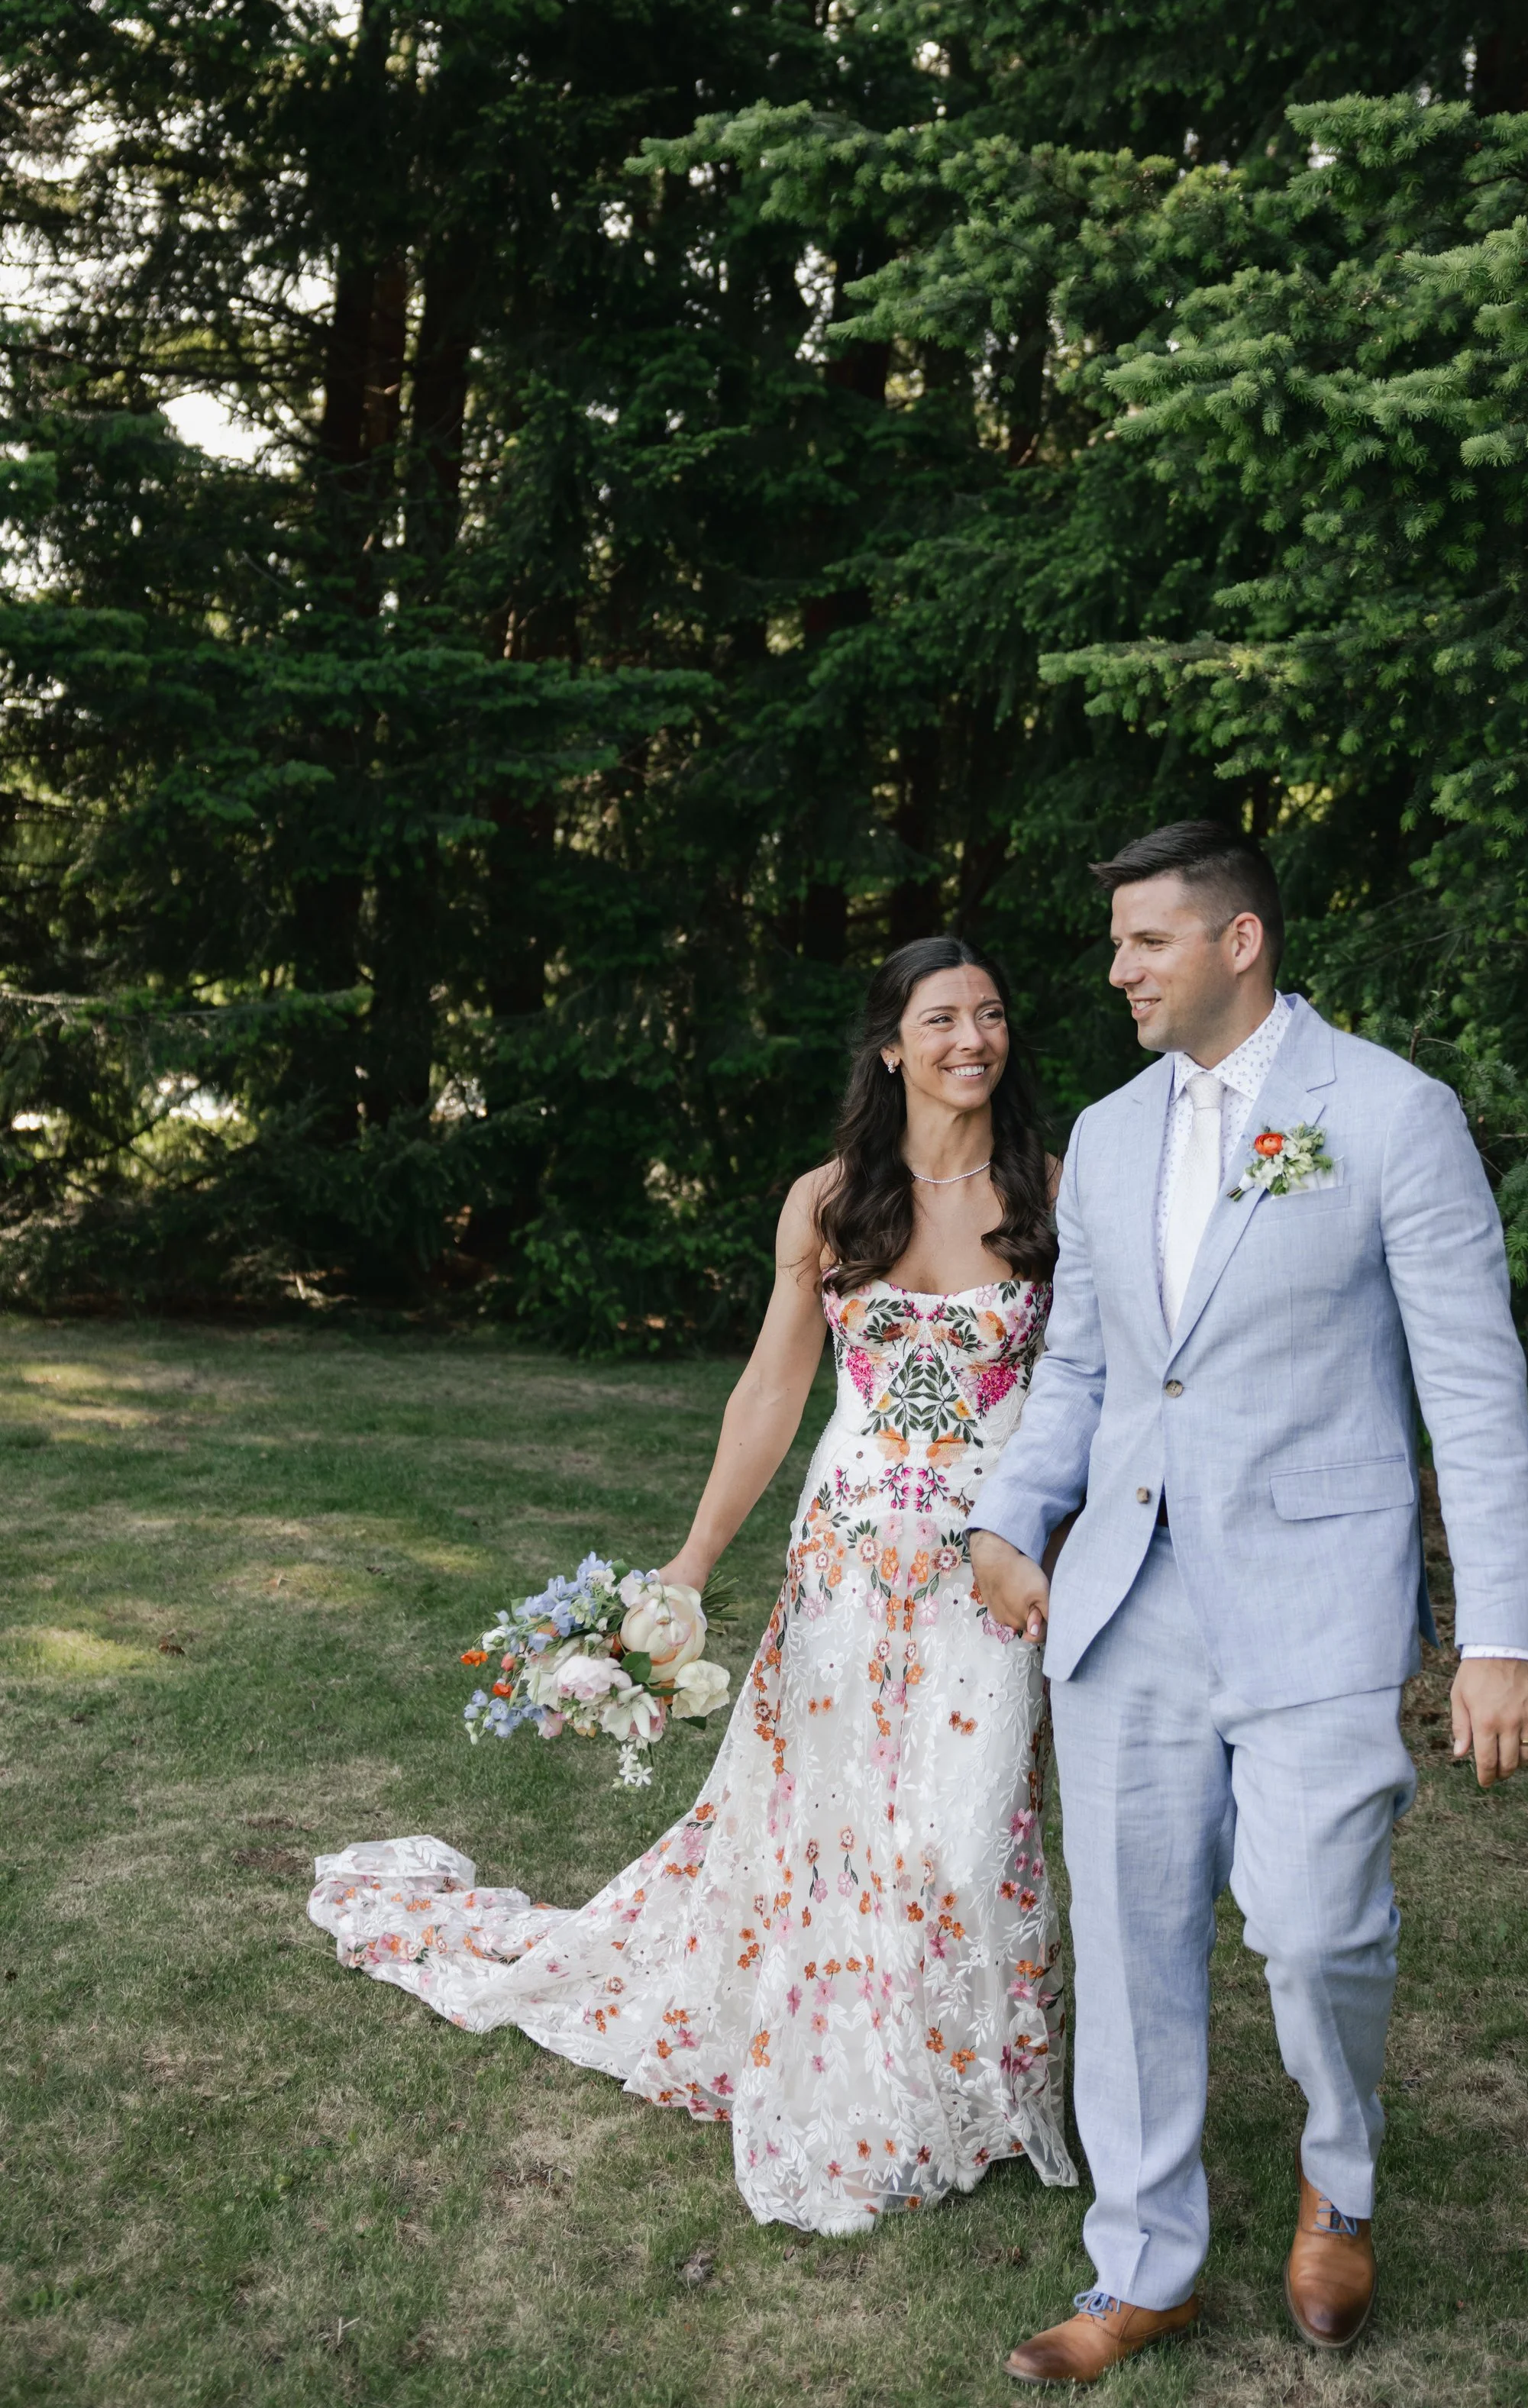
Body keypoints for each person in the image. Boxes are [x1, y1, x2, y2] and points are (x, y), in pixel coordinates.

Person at [308, 938, 1076, 2235]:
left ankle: (982, 2080)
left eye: (991, 1015)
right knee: (835, 1830)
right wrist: (691, 1564)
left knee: (965, 1830)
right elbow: (775, 1391)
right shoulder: (829, 1201)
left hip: (993, 1565)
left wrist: (1055, 1531)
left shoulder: (1059, 1190)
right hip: (844, 1560)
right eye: (941, 1018)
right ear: (890, 1044)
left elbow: (1085, 1387)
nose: (972, 1040)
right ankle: (869, 2088)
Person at [966, 819, 1528, 2377]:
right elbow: (1083, 1361)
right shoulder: (1100, 1130)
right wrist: (1011, 1515)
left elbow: (1471, 1386)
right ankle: (1141, 2264)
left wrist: (1499, 1633)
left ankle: (1335, 2176)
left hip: (1313, 1594)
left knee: (1312, 1928)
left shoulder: (1389, 1113)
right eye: (1111, 944)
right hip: (1123, 1601)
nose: (1115, 971)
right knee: (1136, 1937)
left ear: (1237, 941)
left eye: (1142, 941)